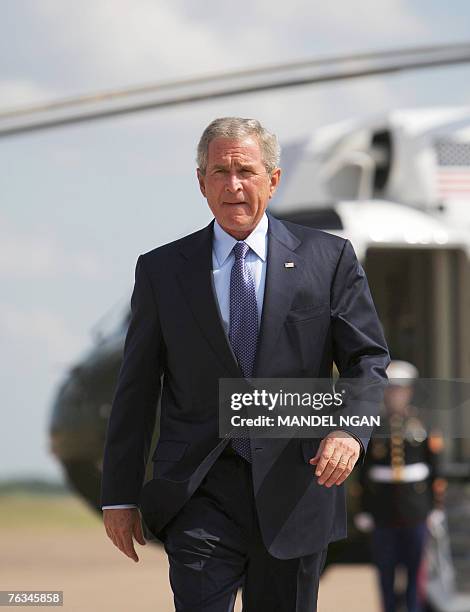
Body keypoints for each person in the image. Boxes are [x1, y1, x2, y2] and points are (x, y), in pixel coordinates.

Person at [101, 116, 390, 611]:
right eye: (219, 172)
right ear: (201, 182)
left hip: (298, 488)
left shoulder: (329, 259)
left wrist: (350, 431)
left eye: (246, 171)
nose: (233, 185)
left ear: (272, 180)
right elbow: (137, 387)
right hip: (199, 491)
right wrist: (119, 495)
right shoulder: (161, 270)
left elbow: (368, 359)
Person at [356, 360, 445, 612]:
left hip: (416, 509)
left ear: (409, 392)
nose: (396, 394)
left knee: (416, 571)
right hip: (382, 509)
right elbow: (363, 473)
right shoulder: (372, 424)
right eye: (391, 389)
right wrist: (363, 508)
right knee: (385, 569)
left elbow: (434, 468)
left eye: (400, 389)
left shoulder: (423, 422)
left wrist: (436, 507)